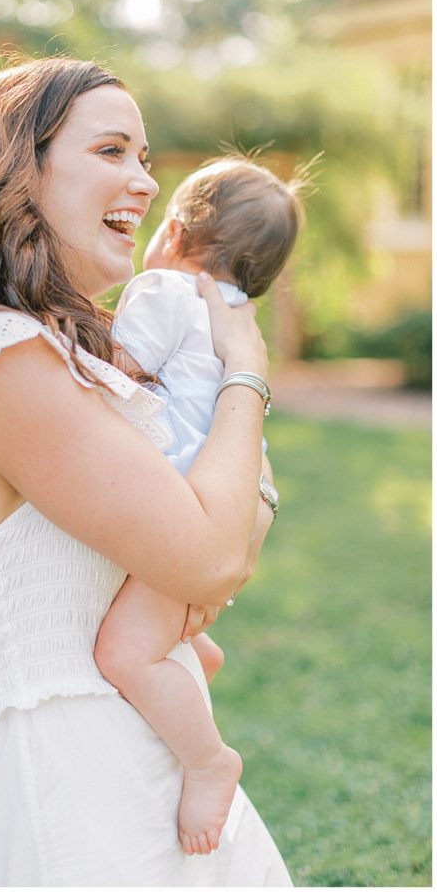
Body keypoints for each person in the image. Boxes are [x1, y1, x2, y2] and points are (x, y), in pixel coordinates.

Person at [0, 55, 292, 886]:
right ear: (17, 171)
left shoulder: (49, 347)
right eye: (112, 151)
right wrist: (246, 367)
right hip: (73, 778)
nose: (145, 183)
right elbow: (216, 554)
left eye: (145, 160)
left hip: (141, 742)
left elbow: (225, 539)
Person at [95, 157, 302, 854]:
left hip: (184, 509)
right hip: (227, 496)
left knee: (124, 653)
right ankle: (195, 650)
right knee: (145, 623)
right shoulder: (237, 317)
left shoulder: (159, 288)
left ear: (173, 231)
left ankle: (210, 760)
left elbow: (117, 370)